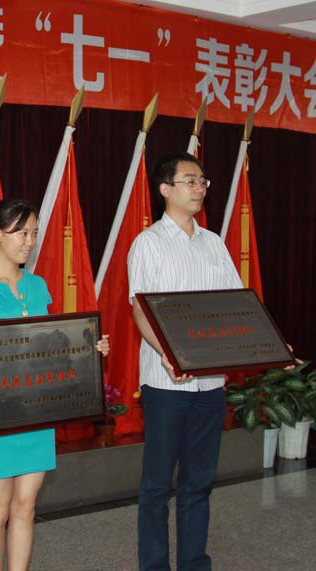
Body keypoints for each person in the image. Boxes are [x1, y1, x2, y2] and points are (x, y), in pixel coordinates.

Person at [0, 198, 109, 571]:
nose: (30, 241)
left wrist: (89, 347)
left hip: (37, 413)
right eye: (22, 233)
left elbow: (50, 347)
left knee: (26, 507)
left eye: (34, 233)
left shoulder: (38, 286)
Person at [128, 153, 243, 570]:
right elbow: (141, 310)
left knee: (199, 484)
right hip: (166, 384)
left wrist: (269, 346)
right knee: (158, 485)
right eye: (190, 181)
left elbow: (237, 307)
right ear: (166, 189)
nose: (199, 189)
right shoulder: (149, 243)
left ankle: (195, 564)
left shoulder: (214, 243)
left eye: (203, 181)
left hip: (209, 384)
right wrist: (167, 354)